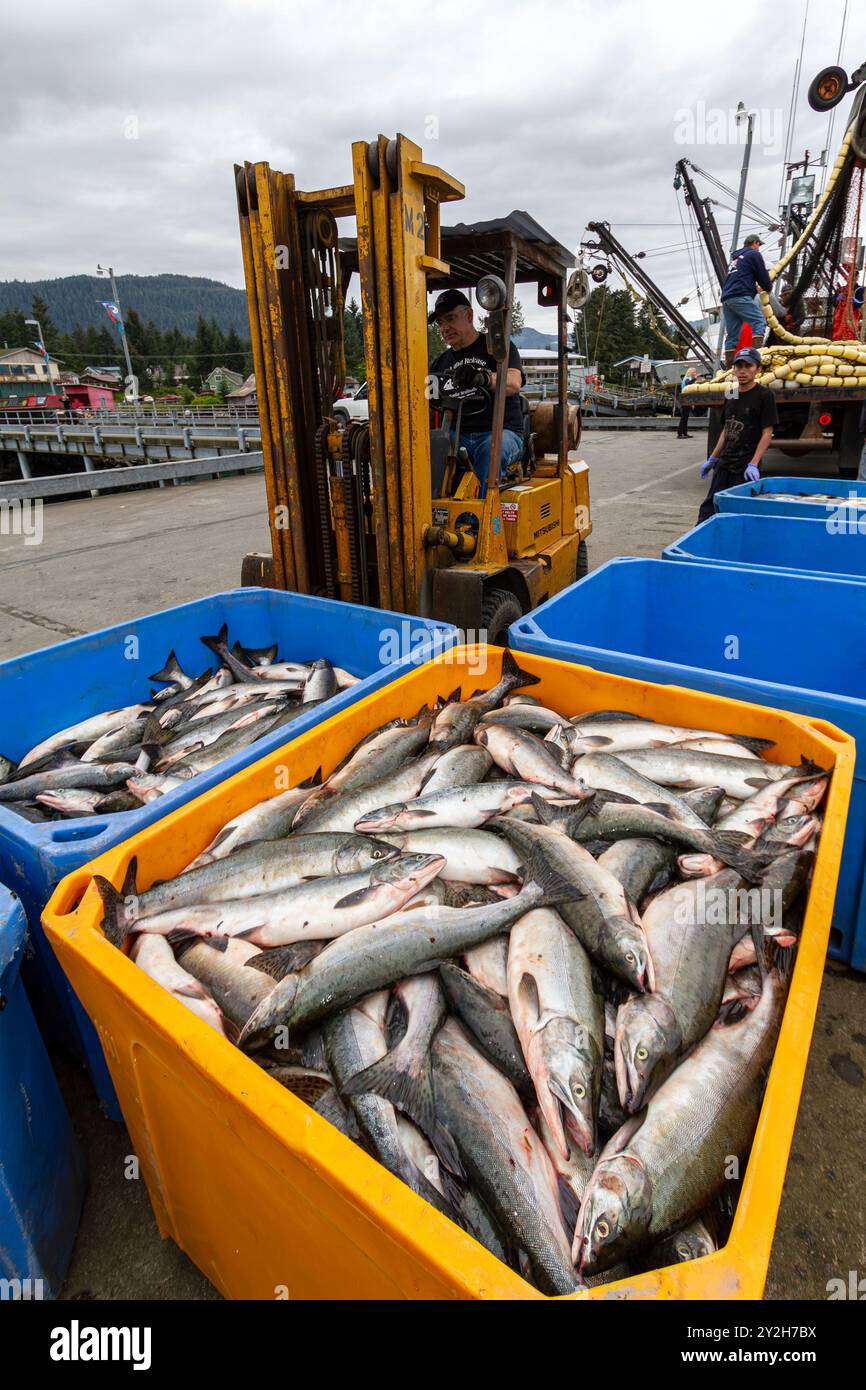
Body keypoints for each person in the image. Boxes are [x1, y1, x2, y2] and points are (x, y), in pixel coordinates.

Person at [429, 288, 525, 497]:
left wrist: (483, 377)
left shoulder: (497, 347)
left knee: (490, 450)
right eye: (440, 323)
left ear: (469, 315)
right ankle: (430, 512)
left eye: (450, 319)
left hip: (500, 432)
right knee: (426, 446)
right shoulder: (440, 362)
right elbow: (425, 398)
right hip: (457, 435)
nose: (445, 328)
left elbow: (513, 382)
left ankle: (478, 524)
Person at [697, 347, 778, 523]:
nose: (742, 371)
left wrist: (754, 464)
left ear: (758, 369)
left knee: (737, 510)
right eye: (738, 366)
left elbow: (767, 432)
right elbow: (726, 429)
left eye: (748, 366)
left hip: (745, 466)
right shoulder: (730, 393)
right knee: (710, 507)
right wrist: (712, 459)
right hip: (725, 463)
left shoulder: (764, 395)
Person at [719, 234, 772, 365]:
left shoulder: (735, 259)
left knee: (732, 334)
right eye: (759, 245)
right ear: (754, 243)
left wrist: (754, 289)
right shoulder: (754, 254)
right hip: (740, 295)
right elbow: (762, 275)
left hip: (727, 299)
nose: (759, 248)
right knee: (759, 322)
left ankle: (729, 366)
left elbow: (740, 278)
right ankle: (756, 358)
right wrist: (767, 287)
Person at [676, 366, 699, 438]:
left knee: (686, 417)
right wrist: (695, 378)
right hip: (685, 398)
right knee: (684, 417)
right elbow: (688, 384)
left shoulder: (690, 379)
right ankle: (680, 433)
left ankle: (684, 432)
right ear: (691, 372)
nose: (695, 373)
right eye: (694, 372)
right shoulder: (687, 378)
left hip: (687, 398)